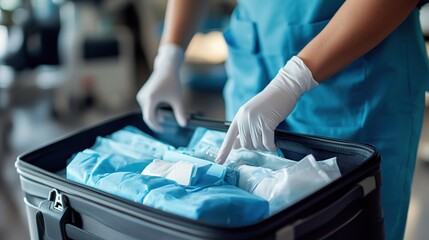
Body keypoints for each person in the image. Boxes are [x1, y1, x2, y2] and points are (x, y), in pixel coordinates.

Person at [136, 0, 429, 239]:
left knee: (345, 225)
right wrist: (169, 55)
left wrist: (294, 79)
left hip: (355, 78)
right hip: (252, 74)